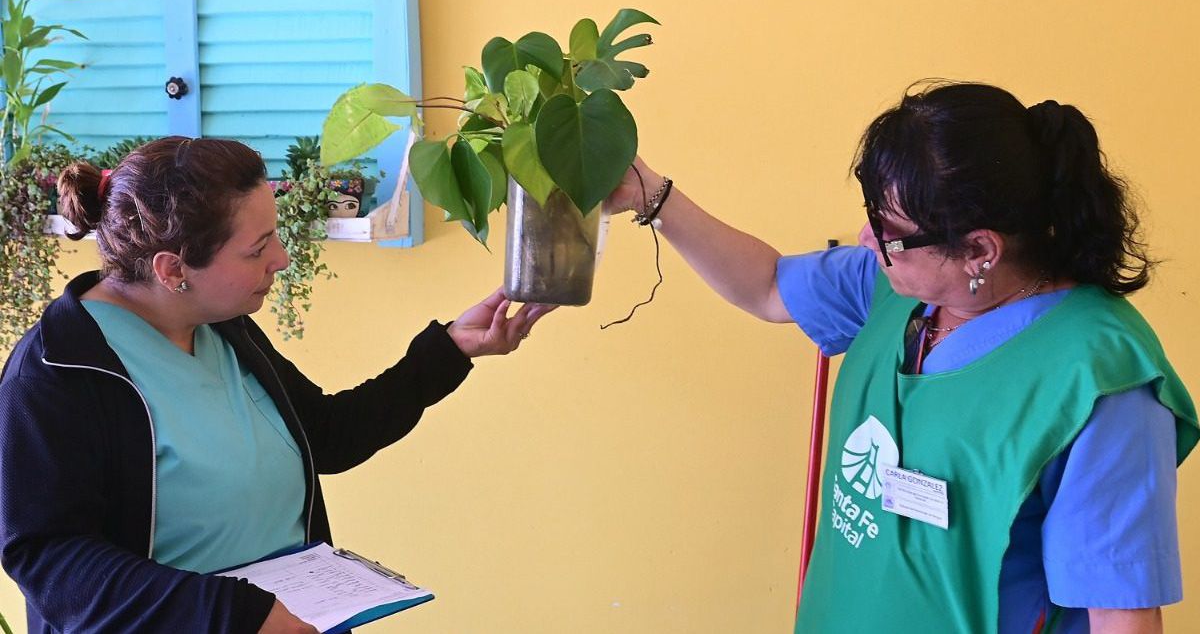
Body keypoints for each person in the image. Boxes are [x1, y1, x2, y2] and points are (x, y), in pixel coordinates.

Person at [605, 82, 1197, 633]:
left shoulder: (1100, 382)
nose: (866, 238)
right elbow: (765, 286)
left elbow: (1121, 618)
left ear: (980, 251)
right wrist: (650, 194)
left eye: (886, 227)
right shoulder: (893, 287)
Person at [0, 137, 554, 633]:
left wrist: (450, 350)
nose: (282, 260)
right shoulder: (56, 372)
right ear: (173, 270)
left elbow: (326, 436)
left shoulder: (224, 326)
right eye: (257, 248)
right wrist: (234, 613)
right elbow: (51, 560)